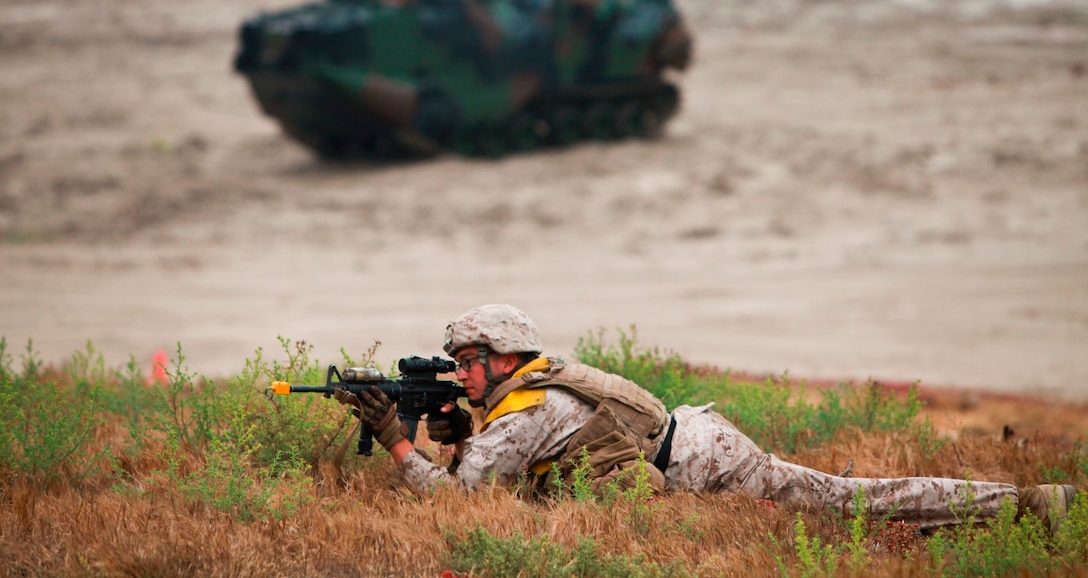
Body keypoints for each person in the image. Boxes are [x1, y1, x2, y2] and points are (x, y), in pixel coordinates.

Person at [337, 304, 1080, 532]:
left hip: (703, 459)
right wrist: (459, 435)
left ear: (505, 357)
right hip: (693, 442)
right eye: (457, 362)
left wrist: (398, 442)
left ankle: (1026, 504)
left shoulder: (526, 407)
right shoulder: (525, 391)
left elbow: (463, 501)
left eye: (470, 360)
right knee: (839, 502)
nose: (462, 373)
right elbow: (498, 468)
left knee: (846, 502)